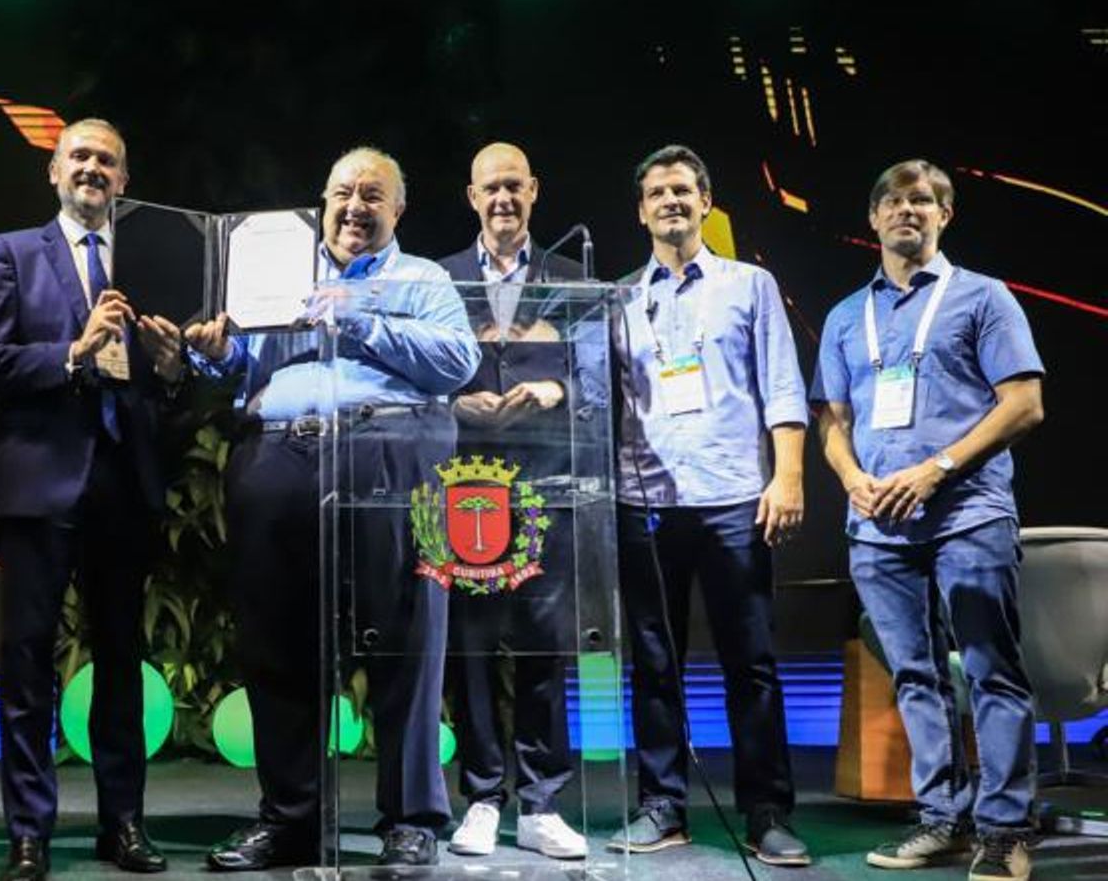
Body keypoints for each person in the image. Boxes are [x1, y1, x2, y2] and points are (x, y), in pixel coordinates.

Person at [188, 146, 480, 870]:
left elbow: (457, 362)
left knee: (408, 640)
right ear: (323, 202)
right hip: (279, 459)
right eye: (343, 193)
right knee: (277, 646)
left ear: (397, 211)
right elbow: (246, 370)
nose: (355, 207)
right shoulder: (276, 274)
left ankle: (411, 819)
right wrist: (216, 352)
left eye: (372, 195)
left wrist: (359, 319)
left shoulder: (423, 279)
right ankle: (291, 819)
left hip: (392, 457)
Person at [810, 159, 1043, 881]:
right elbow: (831, 418)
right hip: (878, 526)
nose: (907, 211)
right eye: (894, 201)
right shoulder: (848, 316)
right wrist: (852, 479)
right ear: (873, 219)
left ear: (945, 216)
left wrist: (934, 469)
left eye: (923, 201)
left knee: (991, 673)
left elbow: (1024, 403)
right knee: (914, 675)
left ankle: (1004, 831)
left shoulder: (984, 298)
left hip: (967, 515)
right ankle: (942, 818)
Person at [0, 118, 184, 880]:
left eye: (108, 162)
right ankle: (30, 830)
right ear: (54, 172)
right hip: (41, 480)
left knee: (122, 661)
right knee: (28, 660)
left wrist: (170, 364)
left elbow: (166, 378)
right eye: (80, 157)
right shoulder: (11, 252)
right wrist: (72, 352)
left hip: (124, 480)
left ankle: (122, 824)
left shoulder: (147, 262)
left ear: (124, 182)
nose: (93, 169)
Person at [608, 145, 810, 866]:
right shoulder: (620, 300)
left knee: (749, 662)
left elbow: (784, 390)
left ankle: (766, 812)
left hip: (733, 498)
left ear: (705, 201)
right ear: (641, 210)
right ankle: (662, 806)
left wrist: (787, 478)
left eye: (683, 190)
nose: (671, 200)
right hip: (647, 501)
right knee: (654, 663)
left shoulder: (750, 286)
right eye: (657, 190)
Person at [435, 142, 586, 860]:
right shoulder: (440, 280)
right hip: (464, 488)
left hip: (547, 481)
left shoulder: (571, 277)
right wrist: (457, 399)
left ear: (534, 192)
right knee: (470, 646)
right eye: (491, 188)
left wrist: (557, 390)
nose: (503, 199)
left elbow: (599, 374)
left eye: (514, 188)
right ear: (472, 196)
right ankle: (482, 796)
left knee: (543, 647)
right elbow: (416, 369)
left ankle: (542, 801)